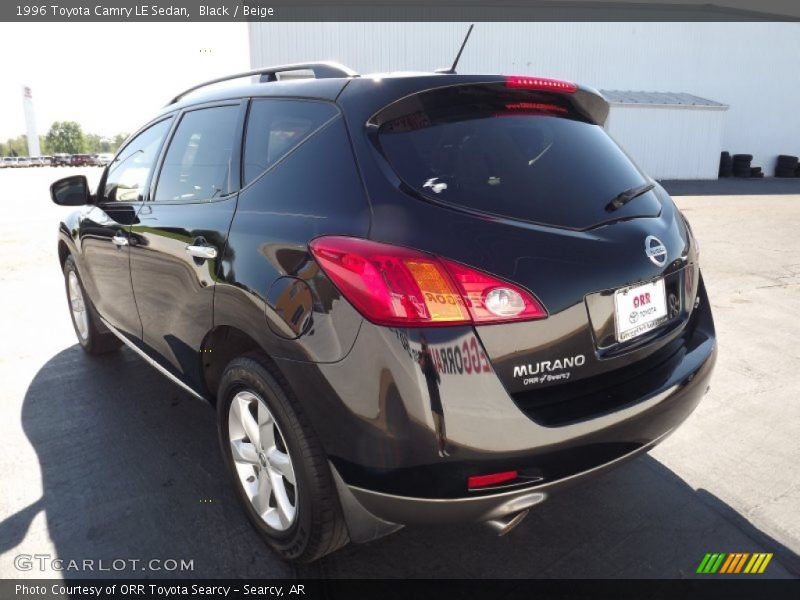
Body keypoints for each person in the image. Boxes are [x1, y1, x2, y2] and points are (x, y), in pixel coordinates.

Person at [417, 335, 448, 457]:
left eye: (425, 343)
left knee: (443, 431)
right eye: (423, 344)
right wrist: (424, 354)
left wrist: (437, 375)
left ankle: (443, 449)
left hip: (438, 403)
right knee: (438, 430)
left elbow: (435, 371)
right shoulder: (422, 358)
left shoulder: (430, 361)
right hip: (434, 405)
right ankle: (440, 450)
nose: (425, 346)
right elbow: (423, 367)